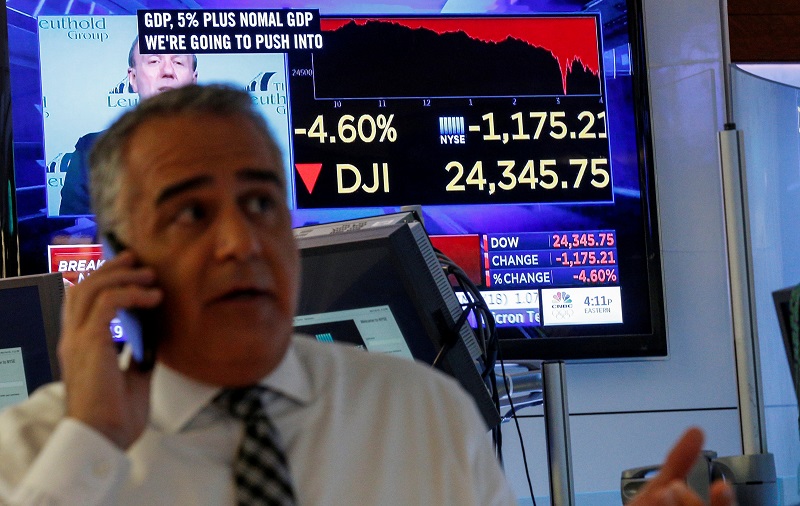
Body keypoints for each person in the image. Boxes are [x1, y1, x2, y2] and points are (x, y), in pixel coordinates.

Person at [0, 84, 518, 504]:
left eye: (260, 203)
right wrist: (92, 443)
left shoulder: (424, 415)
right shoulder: (30, 451)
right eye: (191, 214)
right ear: (120, 259)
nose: (241, 243)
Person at [58, 36, 198, 216]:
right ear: (133, 78)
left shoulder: (230, 148)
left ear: (193, 81)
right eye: (154, 61)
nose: (167, 71)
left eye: (178, 62)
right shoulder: (92, 150)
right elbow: (75, 235)